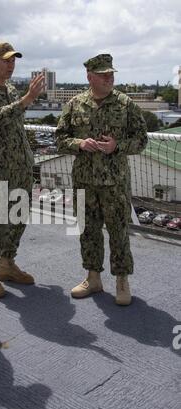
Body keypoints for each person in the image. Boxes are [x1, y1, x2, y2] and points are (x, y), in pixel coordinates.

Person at [56, 54, 148, 306]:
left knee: (119, 232)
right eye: (104, 74)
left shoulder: (125, 104)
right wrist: (79, 143)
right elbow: (60, 138)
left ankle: (121, 280)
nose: (110, 78)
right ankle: (93, 277)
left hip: (114, 182)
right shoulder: (75, 104)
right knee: (88, 231)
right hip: (84, 181)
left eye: (111, 73)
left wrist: (117, 146)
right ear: (90, 76)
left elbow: (141, 139)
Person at [0, 42, 44, 298]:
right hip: (0, 168)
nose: (11, 65)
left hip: (21, 165)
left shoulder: (11, 88)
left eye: (13, 61)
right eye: (6, 61)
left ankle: (7, 263)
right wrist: (27, 99)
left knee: (18, 216)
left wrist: (23, 99)